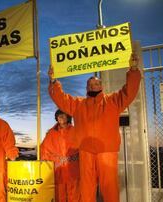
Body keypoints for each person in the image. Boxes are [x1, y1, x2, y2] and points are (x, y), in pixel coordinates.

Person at [47, 53, 141, 202]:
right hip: (86, 151)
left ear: (101, 86)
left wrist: (134, 70)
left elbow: (129, 91)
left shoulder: (113, 101)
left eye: (96, 84)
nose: (93, 86)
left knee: (109, 187)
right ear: (86, 88)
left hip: (107, 151)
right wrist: (53, 81)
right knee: (87, 187)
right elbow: (61, 99)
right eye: (90, 85)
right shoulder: (78, 104)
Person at [41, 110, 79, 202]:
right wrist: (56, 159)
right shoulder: (51, 133)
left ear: (68, 117)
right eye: (58, 115)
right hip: (58, 170)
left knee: (74, 196)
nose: (61, 117)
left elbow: (83, 150)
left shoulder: (76, 131)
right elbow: (44, 151)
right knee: (59, 196)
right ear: (56, 118)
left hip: (73, 169)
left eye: (63, 115)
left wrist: (74, 158)